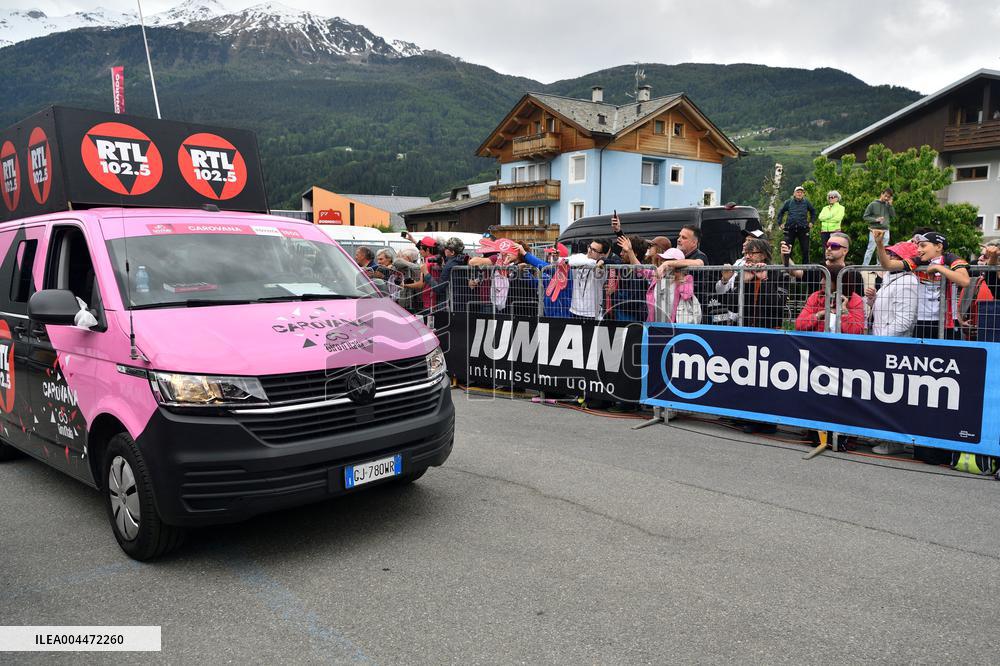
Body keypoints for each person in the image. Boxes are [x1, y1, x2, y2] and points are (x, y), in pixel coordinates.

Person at [872, 229, 969, 339]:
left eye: (923, 246)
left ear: (938, 247)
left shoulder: (951, 258)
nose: (918, 250)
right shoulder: (918, 261)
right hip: (923, 320)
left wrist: (938, 268)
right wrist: (879, 244)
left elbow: (965, 281)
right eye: (918, 246)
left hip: (948, 320)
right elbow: (888, 265)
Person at [723, 238, 789, 329]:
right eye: (745, 253)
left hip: (770, 330)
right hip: (745, 328)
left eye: (751, 253)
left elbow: (778, 305)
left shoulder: (778, 273)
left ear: (763, 255)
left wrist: (764, 280)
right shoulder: (743, 273)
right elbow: (732, 307)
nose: (747, 257)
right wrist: (744, 283)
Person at [869, 242, 919, 337]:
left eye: (894, 255)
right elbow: (884, 309)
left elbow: (903, 322)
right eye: (889, 253)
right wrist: (873, 298)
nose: (889, 257)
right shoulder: (890, 278)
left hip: (892, 342)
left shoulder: (907, 281)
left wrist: (881, 339)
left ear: (905, 261)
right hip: (881, 338)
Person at [567, 238, 611, 319]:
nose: (590, 250)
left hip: (592, 313)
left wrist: (601, 261)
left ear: (601, 254)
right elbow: (562, 261)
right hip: (574, 309)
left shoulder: (602, 265)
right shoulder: (580, 257)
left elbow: (615, 261)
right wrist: (556, 258)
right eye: (590, 247)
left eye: (594, 250)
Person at [775, 186, 816, 263]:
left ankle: (805, 268)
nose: (799, 194)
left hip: (803, 229)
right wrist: (780, 223)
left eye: (801, 192)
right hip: (790, 228)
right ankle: (787, 267)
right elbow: (781, 212)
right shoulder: (789, 202)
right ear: (794, 193)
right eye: (798, 192)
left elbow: (813, 211)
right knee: (787, 249)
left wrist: (812, 222)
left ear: (803, 194)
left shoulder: (807, 202)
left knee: (805, 250)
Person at [862, 188, 896, 265]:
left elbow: (893, 216)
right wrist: (875, 220)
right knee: (871, 249)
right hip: (874, 230)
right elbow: (865, 217)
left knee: (883, 250)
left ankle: (880, 266)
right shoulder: (873, 204)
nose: (886, 198)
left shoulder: (888, 205)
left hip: (885, 230)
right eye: (885, 196)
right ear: (881, 194)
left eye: (888, 197)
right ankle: (864, 266)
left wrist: (890, 205)